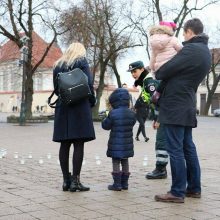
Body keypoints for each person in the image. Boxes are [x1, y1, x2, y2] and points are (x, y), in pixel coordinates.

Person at [154, 18, 211, 203]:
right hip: (187, 103)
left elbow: (163, 71)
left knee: (175, 149)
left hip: (175, 105)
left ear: (189, 31)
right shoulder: (205, 52)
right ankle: (194, 188)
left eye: (184, 33)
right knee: (188, 148)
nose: (183, 37)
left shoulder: (190, 50)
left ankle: (177, 191)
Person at [52, 42, 96, 192]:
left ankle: (65, 180)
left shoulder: (58, 65)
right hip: (79, 107)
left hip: (63, 108)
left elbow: (57, 89)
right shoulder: (82, 62)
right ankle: (75, 181)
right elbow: (88, 84)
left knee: (64, 144)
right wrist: (91, 101)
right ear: (81, 52)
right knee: (78, 144)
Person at [128, 61, 169, 179]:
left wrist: (159, 119)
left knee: (161, 141)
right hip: (165, 115)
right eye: (131, 72)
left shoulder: (149, 82)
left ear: (142, 69)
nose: (133, 74)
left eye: (135, 71)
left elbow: (160, 101)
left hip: (165, 115)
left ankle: (161, 169)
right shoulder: (146, 81)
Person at [102, 88, 136, 191]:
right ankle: (125, 184)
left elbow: (106, 126)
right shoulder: (131, 113)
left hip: (116, 143)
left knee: (116, 161)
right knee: (125, 161)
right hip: (127, 143)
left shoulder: (113, 113)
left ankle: (117, 184)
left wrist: (106, 116)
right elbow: (133, 123)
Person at [149, 21, 182, 102]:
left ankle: (157, 95)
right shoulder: (173, 39)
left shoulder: (153, 42)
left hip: (160, 69)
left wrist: (153, 70)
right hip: (171, 67)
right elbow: (182, 51)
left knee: (163, 83)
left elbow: (153, 58)